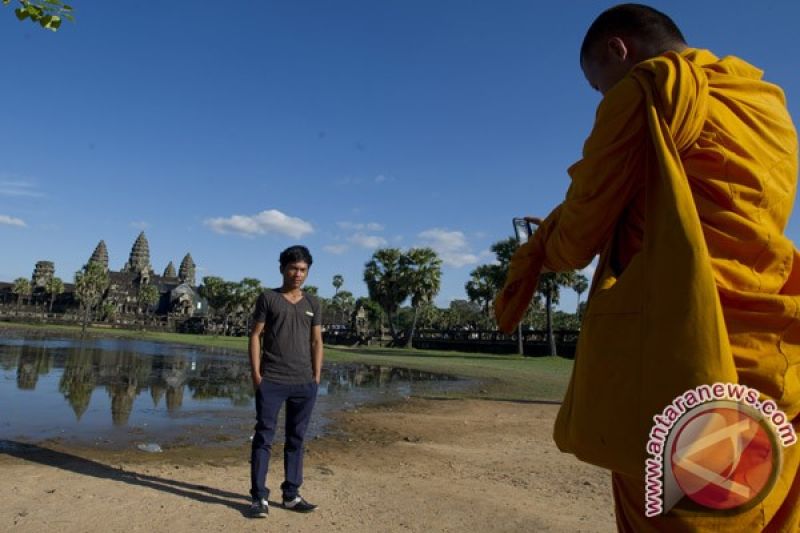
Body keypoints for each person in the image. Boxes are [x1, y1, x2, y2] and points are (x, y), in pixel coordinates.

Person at [495, 3, 799, 531]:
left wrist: (546, 236)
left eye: (599, 87)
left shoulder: (647, 90)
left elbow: (576, 240)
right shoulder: (765, 102)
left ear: (619, 50)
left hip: (679, 345)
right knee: (760, 496)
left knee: (678, 509)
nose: (603, 98)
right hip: (771, 340)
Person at [248, 245, 324, 518]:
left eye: (303, 269)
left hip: (304, 382)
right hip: (273, 380)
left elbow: (316, 341)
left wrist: (316, 377)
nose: (297, 274)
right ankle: (258, 498)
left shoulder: (313, 303)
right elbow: (255, 335)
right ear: (282, 268)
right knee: (264, 437)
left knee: (296, 438)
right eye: (293, 268)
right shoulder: (269, 298)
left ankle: (291, 494)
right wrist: (257, 375)